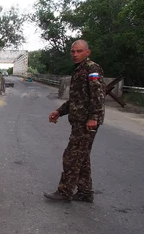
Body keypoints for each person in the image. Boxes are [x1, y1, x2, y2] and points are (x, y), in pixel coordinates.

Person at [45, 39, 105, 203]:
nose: (75, 54)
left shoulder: (92, 69)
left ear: (87, 52)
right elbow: (75, 100)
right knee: (82, 156)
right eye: (73, 51)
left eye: (79, 51)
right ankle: (85, 192)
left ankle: (65, 191)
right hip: (79, 122)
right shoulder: (79, 70)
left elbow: (98, 95)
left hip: (87, 122)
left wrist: (94, 117)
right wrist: (59, 112)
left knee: (71, 156)